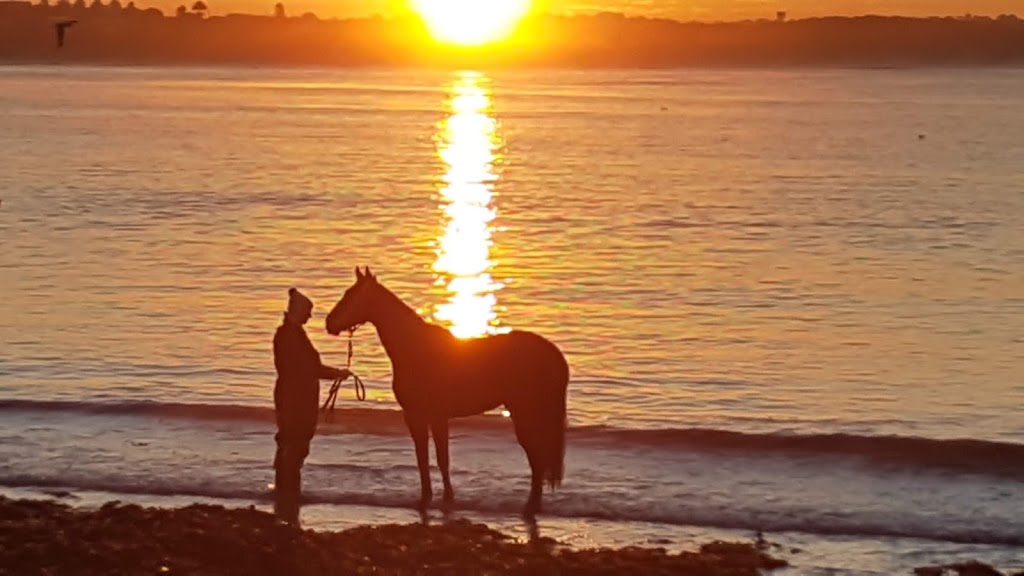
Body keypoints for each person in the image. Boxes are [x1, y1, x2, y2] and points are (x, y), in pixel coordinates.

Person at [272, 287, 349, 501]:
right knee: (294, 444)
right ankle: (287, 492)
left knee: (292, 443)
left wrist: (335, 374)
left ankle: (286, 490)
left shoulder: (291, 333)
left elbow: (308, 368)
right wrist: (336, 374)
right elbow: (309, 368)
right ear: (298, 310)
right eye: (308, 311)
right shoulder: (290, 335)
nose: (310, 315)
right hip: (295, 398)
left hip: (294, 396)